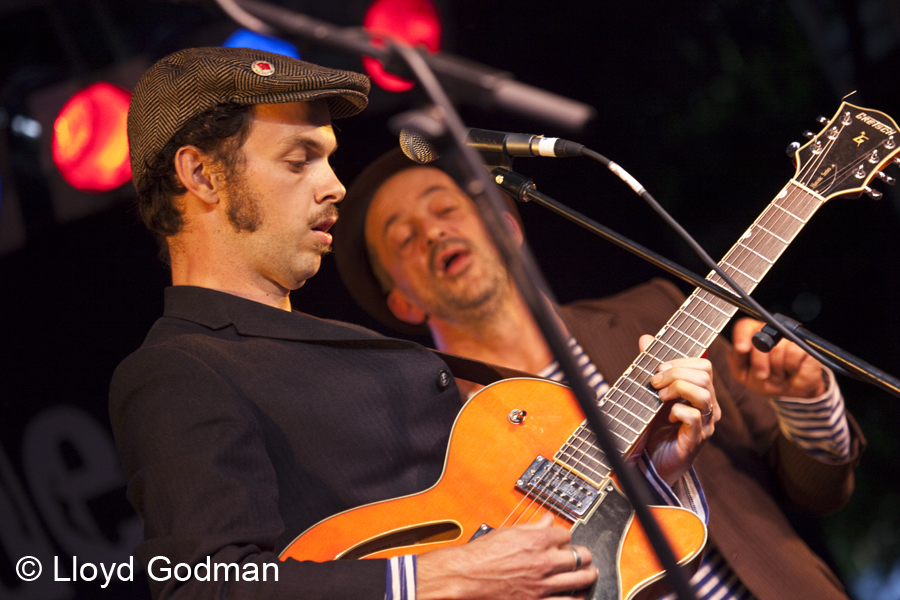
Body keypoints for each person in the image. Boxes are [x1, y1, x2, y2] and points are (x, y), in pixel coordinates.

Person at [110, 47, 719, 600]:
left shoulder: (356, 347)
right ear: (201, 176)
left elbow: (505, 527)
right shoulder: (176, 370)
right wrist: (448, 574)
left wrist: (652, 473)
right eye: (300, 161)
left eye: (328, 159)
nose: (336, 186)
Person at [333, 148, 867, 600]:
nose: (432, 233)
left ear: (508, 226)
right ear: (401, 303)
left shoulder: (656, 314)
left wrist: (808, 399)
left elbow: (820, 492)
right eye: (404, 238)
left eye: (446, 208)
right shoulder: (440, 430)